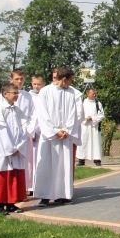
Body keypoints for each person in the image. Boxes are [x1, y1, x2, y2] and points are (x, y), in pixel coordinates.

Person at [32, 67, 81, 207]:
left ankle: (63, 195)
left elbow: (73, 113)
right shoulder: (45, 91)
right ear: (64, 79)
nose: (71, 83)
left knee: (63, 166)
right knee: (47, 166)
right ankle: (45, 196)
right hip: (50, 137)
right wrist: (54, 130)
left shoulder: (71, 93)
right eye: (70, 80)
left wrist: (66, 130)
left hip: (65, 136)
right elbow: (42, 114)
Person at [0, 83, 29, 215]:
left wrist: (20, 146)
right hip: (3, 151)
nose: (17, 96)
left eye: (17, 93)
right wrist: (10, 148)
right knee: (1, 177)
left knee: (14, 177)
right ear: (5, 94)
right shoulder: (0, 111)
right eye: (14, 93)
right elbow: (1, 133)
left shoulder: (17, 111)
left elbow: (24, 129)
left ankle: (11, 203)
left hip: (16, 149)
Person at [0, 69, 37, 193]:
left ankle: (28, 186)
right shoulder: (4, 95)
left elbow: (33, 114)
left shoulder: (27, 95)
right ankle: (15, 189)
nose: (19, 81)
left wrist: (29, 130)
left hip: (25, 133)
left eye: (21, 79)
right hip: (11, 134)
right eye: (17, 79)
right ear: (11, 79)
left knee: (28, 162)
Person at [76, 88, 104, 167]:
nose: (94, 95)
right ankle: (81, 160)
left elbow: (101, 115)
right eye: (92, 94)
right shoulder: (82, 103)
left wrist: (93, 118)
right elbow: (78, 114)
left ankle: (97, 160)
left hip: (94, 126)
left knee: (95, 143)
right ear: (87, 94)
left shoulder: (98, 104)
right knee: (83, 142)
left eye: (95, 94)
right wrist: (85, 119)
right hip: (84, 126)